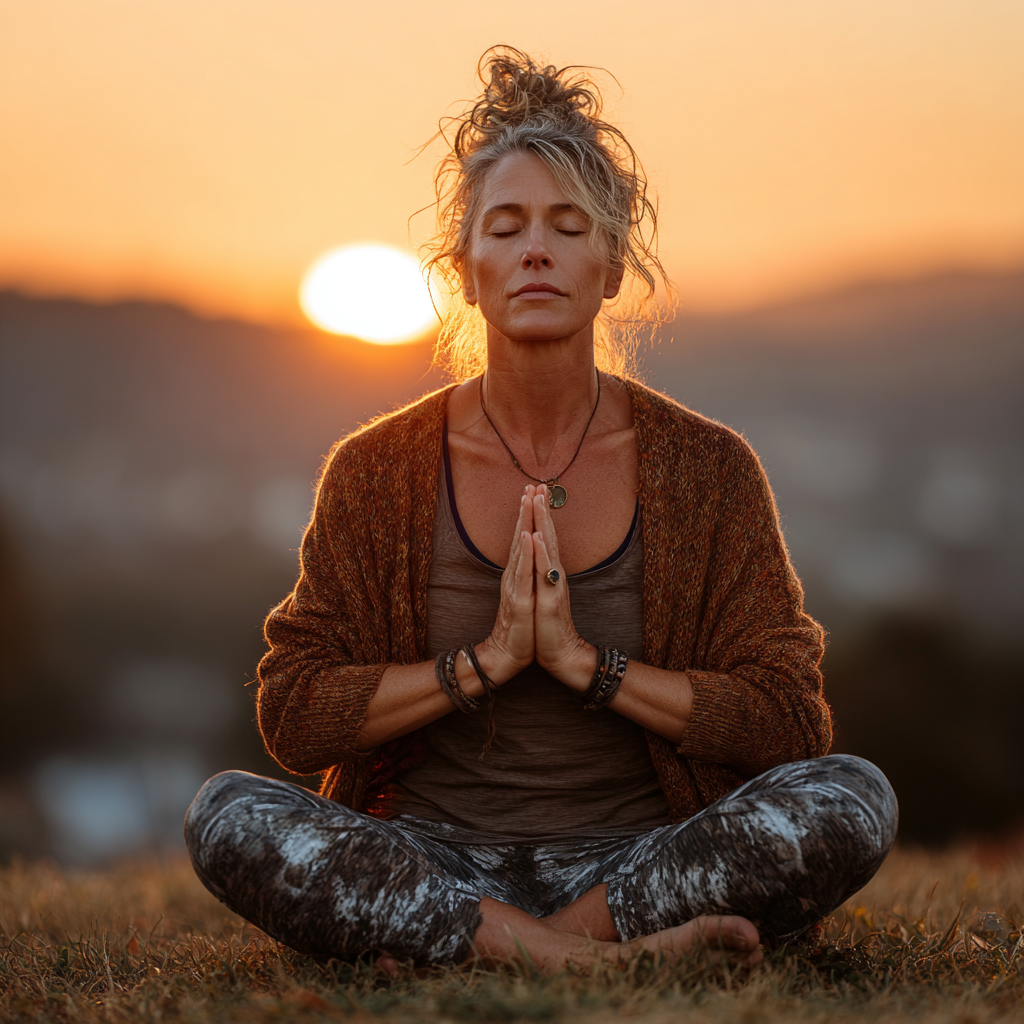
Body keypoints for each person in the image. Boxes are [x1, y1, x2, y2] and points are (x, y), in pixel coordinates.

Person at [184, 47, 898, 973]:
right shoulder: (374, 471)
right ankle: (591, 961)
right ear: (465, 267)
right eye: (507, 226)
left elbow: (787, 721)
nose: (535, 250)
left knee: (851, 797)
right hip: (432, 859)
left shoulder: (709, 469)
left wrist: (587, 667)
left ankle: (504, 948)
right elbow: (294, 714)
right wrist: (478, 666)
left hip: (641, 859)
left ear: (610, 268)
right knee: (228, 815)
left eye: (569, 227)